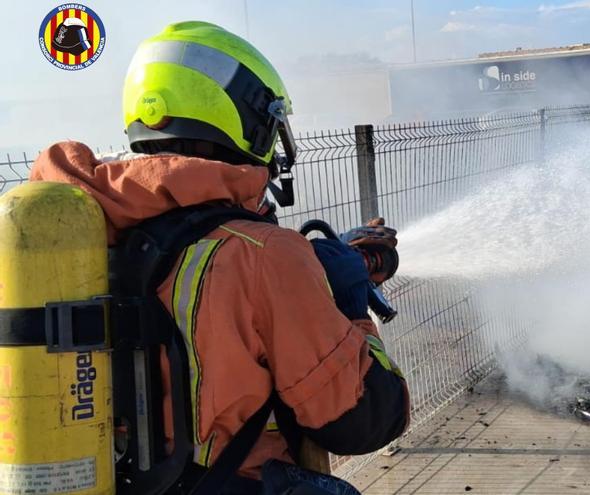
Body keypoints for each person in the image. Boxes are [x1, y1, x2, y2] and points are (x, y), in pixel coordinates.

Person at [30, 21, 409, 493]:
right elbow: (366, 422)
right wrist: (351, 310)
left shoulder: (77, 231)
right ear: (249, 124)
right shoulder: (265, 257)